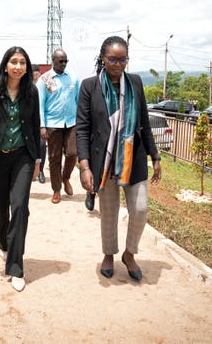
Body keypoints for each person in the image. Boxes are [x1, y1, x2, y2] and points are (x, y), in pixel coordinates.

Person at [76, 36, 162, 282]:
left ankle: (129, 253)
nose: (117, 64)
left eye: (122, 59)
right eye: (112, 59)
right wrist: (84, 166)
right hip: (103, 161)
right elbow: (82, 128)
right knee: (109, 211)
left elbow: (144, 121)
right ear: (102, 58)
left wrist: (155, 156)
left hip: (133, 158)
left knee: (141, 208)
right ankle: (109, 254)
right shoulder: (89, 86)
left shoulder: (135, 83)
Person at [0, 46, 40, 292]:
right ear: (5, 65)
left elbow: (36, 128)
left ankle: (16, 267)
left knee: (21, 207)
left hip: (23, 157)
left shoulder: (31, 92)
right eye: (14, 61)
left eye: (22, 62)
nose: (18, 66)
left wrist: (37, 161)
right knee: (1, 208)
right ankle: (4, 244)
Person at [37, 49, 80, 203]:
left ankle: (65, 177)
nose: (63, 64)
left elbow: (78, 101)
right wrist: (42, 126)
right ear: (53, 61)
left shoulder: (73, 78)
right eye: (60, 61)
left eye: (65, 61)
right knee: (54, 158)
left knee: (72, 153)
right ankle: (56, 190)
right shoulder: (44, 80)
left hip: (71, 122)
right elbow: (40, 105)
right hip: (52, 124)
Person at [31, 64, 47, 183]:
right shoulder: (25, 85)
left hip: (42, 121)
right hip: (28, 121)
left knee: (41, 145)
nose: (35, 77)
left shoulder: (45, 83)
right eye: (33, 74)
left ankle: (41, 170)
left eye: (37, 74)